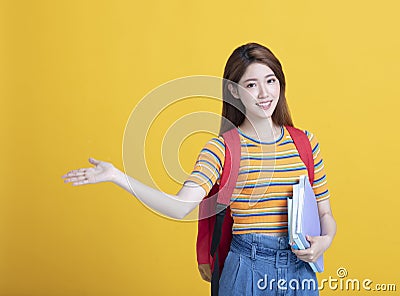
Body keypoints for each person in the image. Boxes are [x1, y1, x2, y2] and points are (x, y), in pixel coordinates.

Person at [62, 42, 336, 296]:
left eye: (271, 81)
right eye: (252, 84)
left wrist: (325, 241)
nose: (265, 93)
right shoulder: (222, 149)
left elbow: (324, 212)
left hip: (300, 274)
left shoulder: (305, 143)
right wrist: (117, 177)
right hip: (247, 271)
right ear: (233, 90)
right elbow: (180, 206)